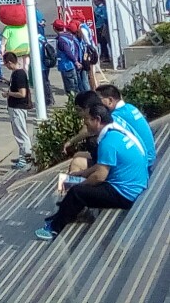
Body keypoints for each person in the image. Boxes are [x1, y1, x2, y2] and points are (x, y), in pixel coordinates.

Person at [36, 103, 148, 241]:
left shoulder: (108, 143)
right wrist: (83, 173)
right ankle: (60, 215)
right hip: (133, 185)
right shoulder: (115, 134)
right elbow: (102, 165)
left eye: (87, 120)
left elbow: (99, 177)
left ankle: (54, 228)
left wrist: (81, 184)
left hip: (125, 194)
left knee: (76, 192)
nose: (85, 123)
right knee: (71, 183)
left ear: (97, 120)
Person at [97, 84, 156, 171]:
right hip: (150, 155)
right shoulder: (129, 107)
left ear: (110, 100)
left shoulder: (116, 116)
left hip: (145, 161)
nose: (97, 105)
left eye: (98, 100)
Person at [2, 52, 32, 169]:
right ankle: (23, 155)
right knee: (19, 133)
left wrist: (8, 93)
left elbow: (22, 93)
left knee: (21, 134)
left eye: (5, 63)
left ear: (10, 62)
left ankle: (26, 159)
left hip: (18, 107)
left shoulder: (18, 74)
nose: (6, 66)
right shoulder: (17, 73)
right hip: (16, 107)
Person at [56, 22, 84, 96]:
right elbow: (75, 50)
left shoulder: (62, 39)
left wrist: (76, 62)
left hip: (66, 66)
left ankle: (74, 102)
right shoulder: (70, 37)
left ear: (54, 28)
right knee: (76, 86)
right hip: (72, 65)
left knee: (71, 90)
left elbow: (68, 52)